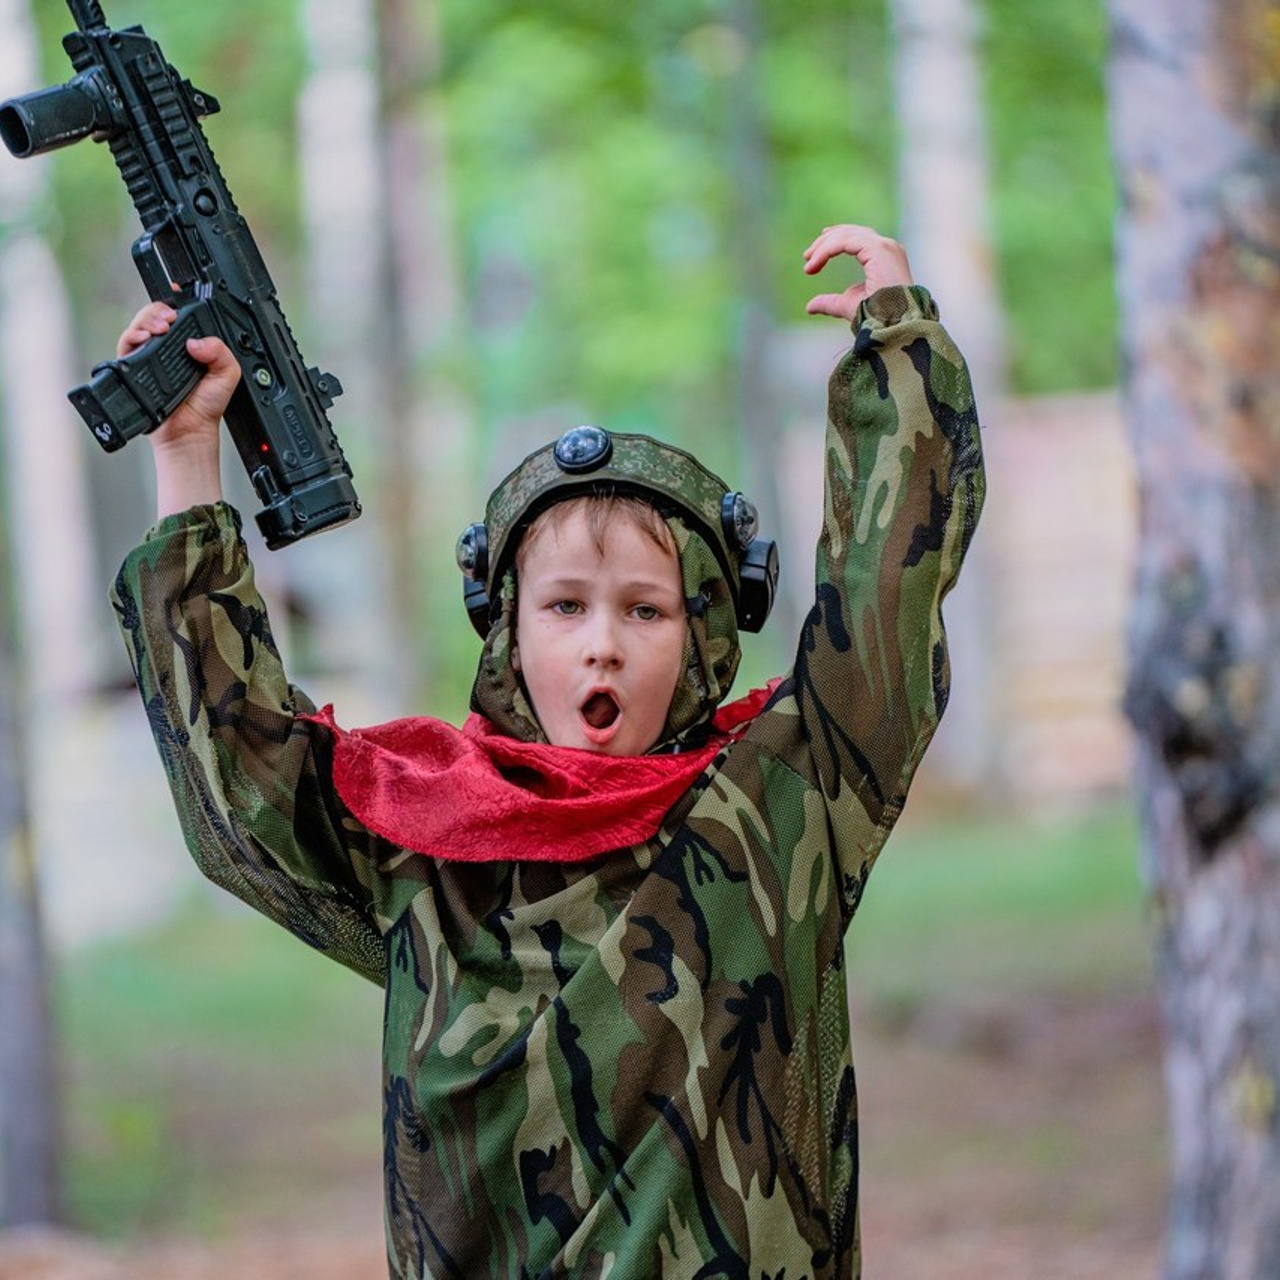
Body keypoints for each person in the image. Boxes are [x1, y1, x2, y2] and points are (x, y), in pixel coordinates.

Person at [111, 224, 985, 1278]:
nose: (600, 642)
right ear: (508, 632)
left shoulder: (781, 802)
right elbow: (239, 774)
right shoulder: (421, 831)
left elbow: (883, 601)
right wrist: (185, 455)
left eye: (645, 609)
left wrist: (895, 355)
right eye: (563, 604)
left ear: (704, 635)